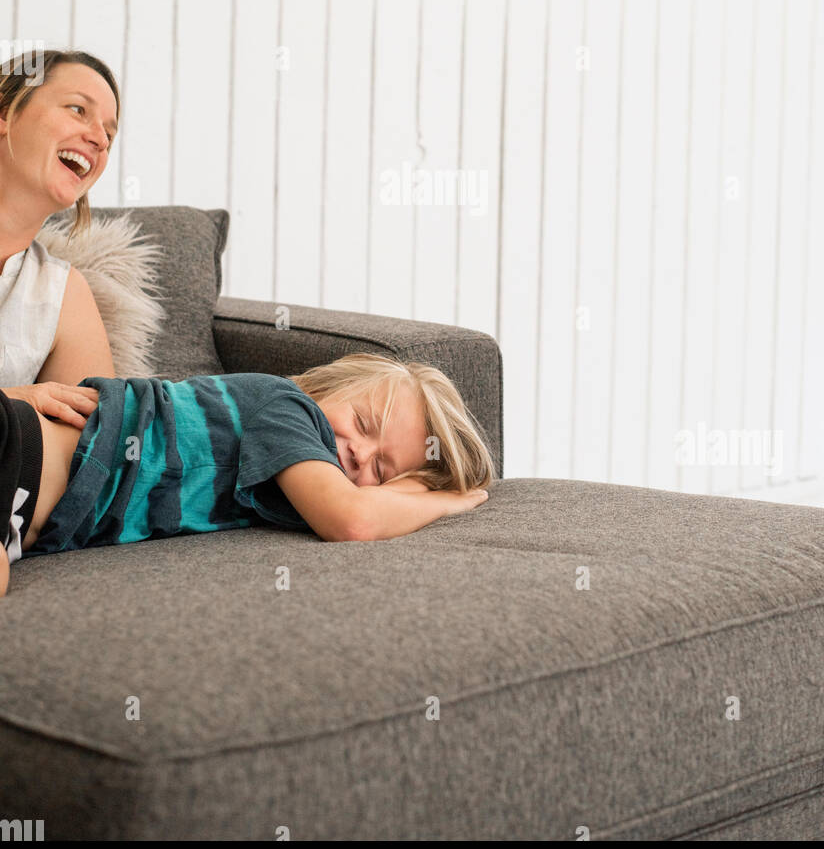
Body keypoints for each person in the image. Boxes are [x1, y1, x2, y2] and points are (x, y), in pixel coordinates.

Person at [0, 351, 493, 595]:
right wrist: (446, 501)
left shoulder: (284, 486)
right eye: (362, 424)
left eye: (382, 470)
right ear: (328, 389)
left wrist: (416, 486)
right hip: (19, 451)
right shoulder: (285, 408)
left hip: (21, 518)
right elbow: (353, 520)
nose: (361, 454)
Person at [0, 48, 120, 431]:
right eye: (77, 109)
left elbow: (94, 444)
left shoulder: (63, 292)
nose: (100, 140)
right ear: (4, 112)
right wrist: (15, 404)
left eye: (110, 134)